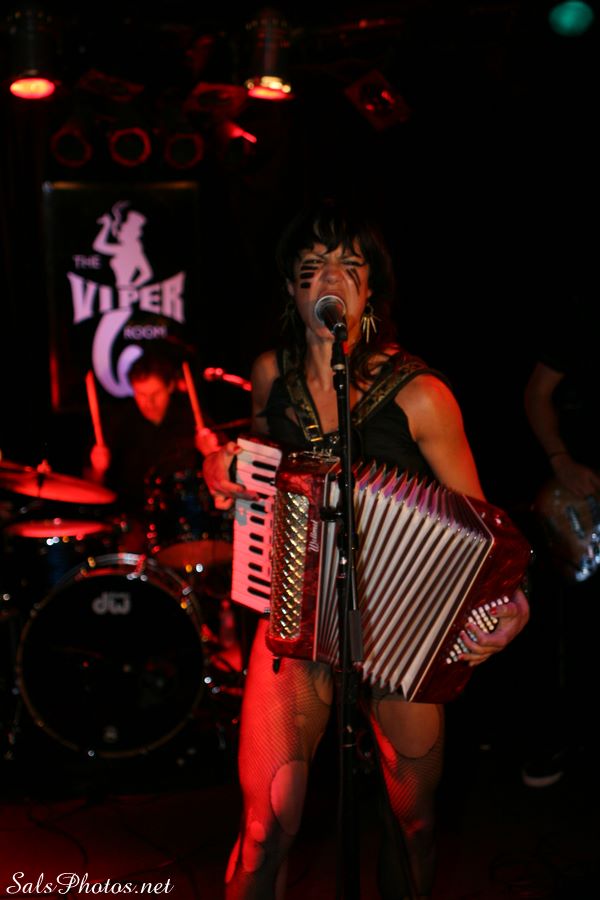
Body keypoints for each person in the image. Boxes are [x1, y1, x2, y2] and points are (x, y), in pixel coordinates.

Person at [202, 198, 530, 898]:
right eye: (313, 265)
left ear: (371, 288)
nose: (331, 278)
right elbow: (252, 462)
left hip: (398, 631)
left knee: (413, 824)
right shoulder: (271, 373)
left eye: (350, 265)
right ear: (291, 288)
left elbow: (486, 532)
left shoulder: (423, 395)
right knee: (265, 827)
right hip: (294, 617)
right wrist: (221, 469)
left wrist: (513, 601)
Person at [520, 294, 600, 787]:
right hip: (583, 502)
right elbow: (536, 393)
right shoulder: (582, 318)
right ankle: (559, 738)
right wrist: (561, 460)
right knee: (572, 624)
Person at [87, 348, 219, 553]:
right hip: (133, 525)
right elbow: (91, 489)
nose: (148, 403)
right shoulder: (119, 423)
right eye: (141, 394)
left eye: (155, 394)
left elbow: (224, 471)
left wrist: (212, 453)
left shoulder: (192, 418)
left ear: (170, 386)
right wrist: (98, 470)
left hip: (183, 524)